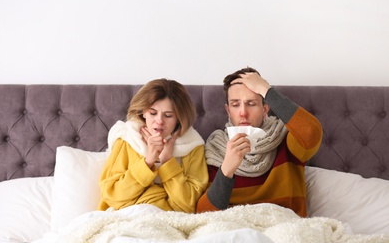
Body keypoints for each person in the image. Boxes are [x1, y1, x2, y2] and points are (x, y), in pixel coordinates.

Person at [196, 67, 322, 217]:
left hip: (283, 229)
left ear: (265, 109)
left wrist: (265, 89)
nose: (243, 112)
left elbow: (311, 132)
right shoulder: (216, 150)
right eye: (235, 105)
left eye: (251, 103)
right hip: (236, 230)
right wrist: (226, 171)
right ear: (228, 111)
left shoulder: (287, 140)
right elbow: (203, 215)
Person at [98, 78, 208, 213]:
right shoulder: (128, 138)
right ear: (143, 111)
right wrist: (148, 161)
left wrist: (167, 161)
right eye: (153, 113)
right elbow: (112, 196)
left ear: (179, 118)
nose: (159, 121)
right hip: (128, 216)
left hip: (169, 220)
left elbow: (189, 204)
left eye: (168, 115)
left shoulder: (192, 145)